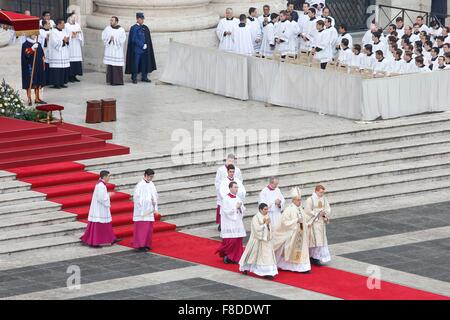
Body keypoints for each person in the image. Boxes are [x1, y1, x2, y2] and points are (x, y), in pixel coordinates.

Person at [272, 187, 311, 273]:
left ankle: (303, 267)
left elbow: (303, 219)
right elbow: (284, 222)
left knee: (302, 251)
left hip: (301, 234)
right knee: (293, 251)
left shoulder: (300, 209)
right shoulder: (289, 209)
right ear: (293, 200)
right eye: (298, 200)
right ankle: (293, 267)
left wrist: (307, 224)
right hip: (292, 234)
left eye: (300, 200)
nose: (300, 202)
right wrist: (295, 221)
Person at [80, 170, 120, 247]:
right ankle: (94, 242)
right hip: (100, 209)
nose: (109, 178)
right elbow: (101, 198)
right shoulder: (101, 186)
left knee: (106, 224)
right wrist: (109, 195)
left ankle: (111, 238)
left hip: (100, 207)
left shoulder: (101, 184)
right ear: (104, 177)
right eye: (108, 176)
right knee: (99, 224)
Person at [239, 203, 278, 279]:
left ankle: (268, 272)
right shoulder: (255, 218)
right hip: (258, 240)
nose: (267, 211)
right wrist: (265, 225)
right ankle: (245, 268)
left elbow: (270, 227)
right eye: (265, 209)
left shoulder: (267, 216)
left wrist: (269, 228)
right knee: (252, 256)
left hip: (267, 241)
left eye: (267, 209)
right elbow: (256, 229)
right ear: (260, 210)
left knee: (266, 257)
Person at [216, 181, 246, 264]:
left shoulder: (238, 198)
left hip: (237, 223)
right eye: (235, 187)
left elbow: (243, 209)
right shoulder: (226, 199)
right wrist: (235, 208)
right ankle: (228, 256)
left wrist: (240, 208)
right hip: (229, 223)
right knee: (231, 241)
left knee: (238, 240)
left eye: (237, 187)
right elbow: (226, 211)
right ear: (230, 188)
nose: (236, 189)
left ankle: (236, 257)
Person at [125, 12, 157, 84]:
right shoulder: (134, 28)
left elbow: (147, 37)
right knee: (135, 64)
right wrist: (142, 45)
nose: (142, 20)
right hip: (137, 50)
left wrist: (146, 45)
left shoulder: (145, 27)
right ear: (137, 19)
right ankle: (134, 78)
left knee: (145, 63)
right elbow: (134, 39)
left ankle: (144, 77)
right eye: (141, 19)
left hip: (144, 50)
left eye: (143, 19)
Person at [304, 185, 331, 266]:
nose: (322, 194)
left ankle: (316, 257)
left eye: (323, 192)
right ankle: (313, 257)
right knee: (315, 240)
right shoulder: (310, 199)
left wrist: (325, 213)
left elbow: (328, 208)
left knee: (321, 240)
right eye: (320, 192)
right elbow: (307, 211)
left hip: (321, 222)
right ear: (316, 191)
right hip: (313, 223)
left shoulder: (324, 199)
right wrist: (317, 213)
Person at [132, 169, 158, 252]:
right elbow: (136, 198)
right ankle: (140, 245)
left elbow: (155, 195)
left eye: (152, 177)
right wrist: (147, 201)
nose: (151, 178)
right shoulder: (140, 185)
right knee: (142, 229)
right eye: (150, 176)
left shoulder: (151, 184)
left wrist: (155, 206)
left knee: (148, 229)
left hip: (149, 210)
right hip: (142, 212)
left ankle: (146, 244)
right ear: (145, 175)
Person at [214, 154, 243, 230]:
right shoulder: (220, 170)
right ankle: (221, 224)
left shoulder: (237, 170)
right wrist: (222, 192)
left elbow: (240, 181)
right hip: (223, 193)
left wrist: (236, 191)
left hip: (234, 192)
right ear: (226, 160)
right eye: (229, 160)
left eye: (232, 161)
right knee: (224, 208)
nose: (231, 162)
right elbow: (217, 182)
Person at [21, 34, 46, 106]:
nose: (34, 35)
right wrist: (31, 49)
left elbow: (42, 55)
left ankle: (37, 98)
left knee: (38, 81)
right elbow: (26, 55)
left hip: (38, 66)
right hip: (29, 66)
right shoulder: (25, 44)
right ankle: (29, 99)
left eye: (35, 34)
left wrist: (43, 62)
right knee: (29, 83)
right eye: (32, 34)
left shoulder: (38, 44)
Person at [102, 16, 127, 86]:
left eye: (112, 21)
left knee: (116, 66)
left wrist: (115, 39)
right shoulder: (107, 29)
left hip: (117, 51)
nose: (111, 22)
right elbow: (103, 36)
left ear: (116, 22)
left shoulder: (121, 30)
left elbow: (123, 39)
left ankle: (117, 81)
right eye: (110, 20)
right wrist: (109, 38)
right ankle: (110, 80)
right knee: (110, 65)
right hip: (110, 50)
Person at [47, 19, 70, 89]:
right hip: (56, 54)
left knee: (63, 69)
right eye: (63, 24)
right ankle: (56, 84)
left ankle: (62, 82)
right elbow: (54, 43)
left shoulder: (64, 31)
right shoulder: (53, 32)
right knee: (57, 69)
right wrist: (63, 41)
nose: (64, 25)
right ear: (58, 24)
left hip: (63, 53)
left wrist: (67, 40)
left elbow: (67, 39)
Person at [65, 13, 84, 82]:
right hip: (70, 45)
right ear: (69, 18)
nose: (74, 19)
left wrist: (78, 34)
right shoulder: (66, 25)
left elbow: (81, 34)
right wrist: (71, 35)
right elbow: (65, 34)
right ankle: (70, 76)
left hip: (76, 44)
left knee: (76, 61)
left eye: (75, 17)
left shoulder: (77, 25)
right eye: (73, 17)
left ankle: (75, 75)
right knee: (71, 60)